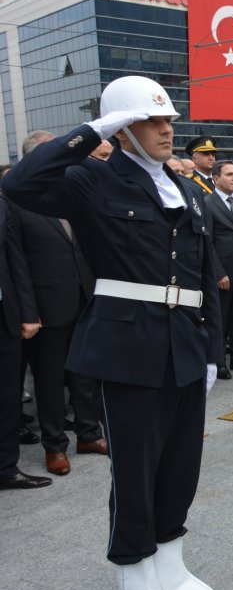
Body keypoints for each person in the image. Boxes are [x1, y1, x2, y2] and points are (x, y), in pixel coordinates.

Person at [2, 75, 230, 590]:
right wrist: (93, 131)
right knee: (135, 475)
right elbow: (22, 185)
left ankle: (171, 576)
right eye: (151, 120)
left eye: (168, 119)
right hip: (127, 348)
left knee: (179, 471)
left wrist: (211, 352)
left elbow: (201, 276)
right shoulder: (92, 180)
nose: (165, 129)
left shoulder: (185, 188)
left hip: (183, 346)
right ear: (124, 127)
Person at [14, 131, 105, 476]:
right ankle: (55, 446)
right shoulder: (19, 197)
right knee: (50, 380)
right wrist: (28, 310)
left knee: (84, 374)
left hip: (85, 296)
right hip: (46, 305)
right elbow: (17, 261)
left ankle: (88, 433)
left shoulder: (75, 191)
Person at [0, 193, 48, 491]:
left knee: (7, 396)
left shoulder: (2, 204)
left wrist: (28, 312)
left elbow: (15, 258)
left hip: (5, 315)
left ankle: (6, 467)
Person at [204, 160, 233, 379]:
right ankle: (218, 359)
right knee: (220, 319)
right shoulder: (208, 203)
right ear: (216, 178)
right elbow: (208, 242)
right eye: (229, 174)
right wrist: (218, 272)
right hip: (223, 272)